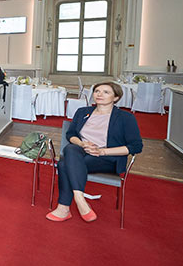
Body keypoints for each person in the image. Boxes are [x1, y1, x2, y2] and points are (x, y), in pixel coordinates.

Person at [47, 81, 143, 223]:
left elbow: (136, 146)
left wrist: (103, 151)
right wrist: (82, 144)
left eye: (106, 92)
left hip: (107, 158)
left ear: (116, 97)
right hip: (80, 152)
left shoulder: (125, 117)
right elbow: (71, 134)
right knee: (71, 149)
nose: (99, 94)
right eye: (97, 91)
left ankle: (64, 207)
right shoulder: (82, 112)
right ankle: (80, 199)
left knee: (64, 164)